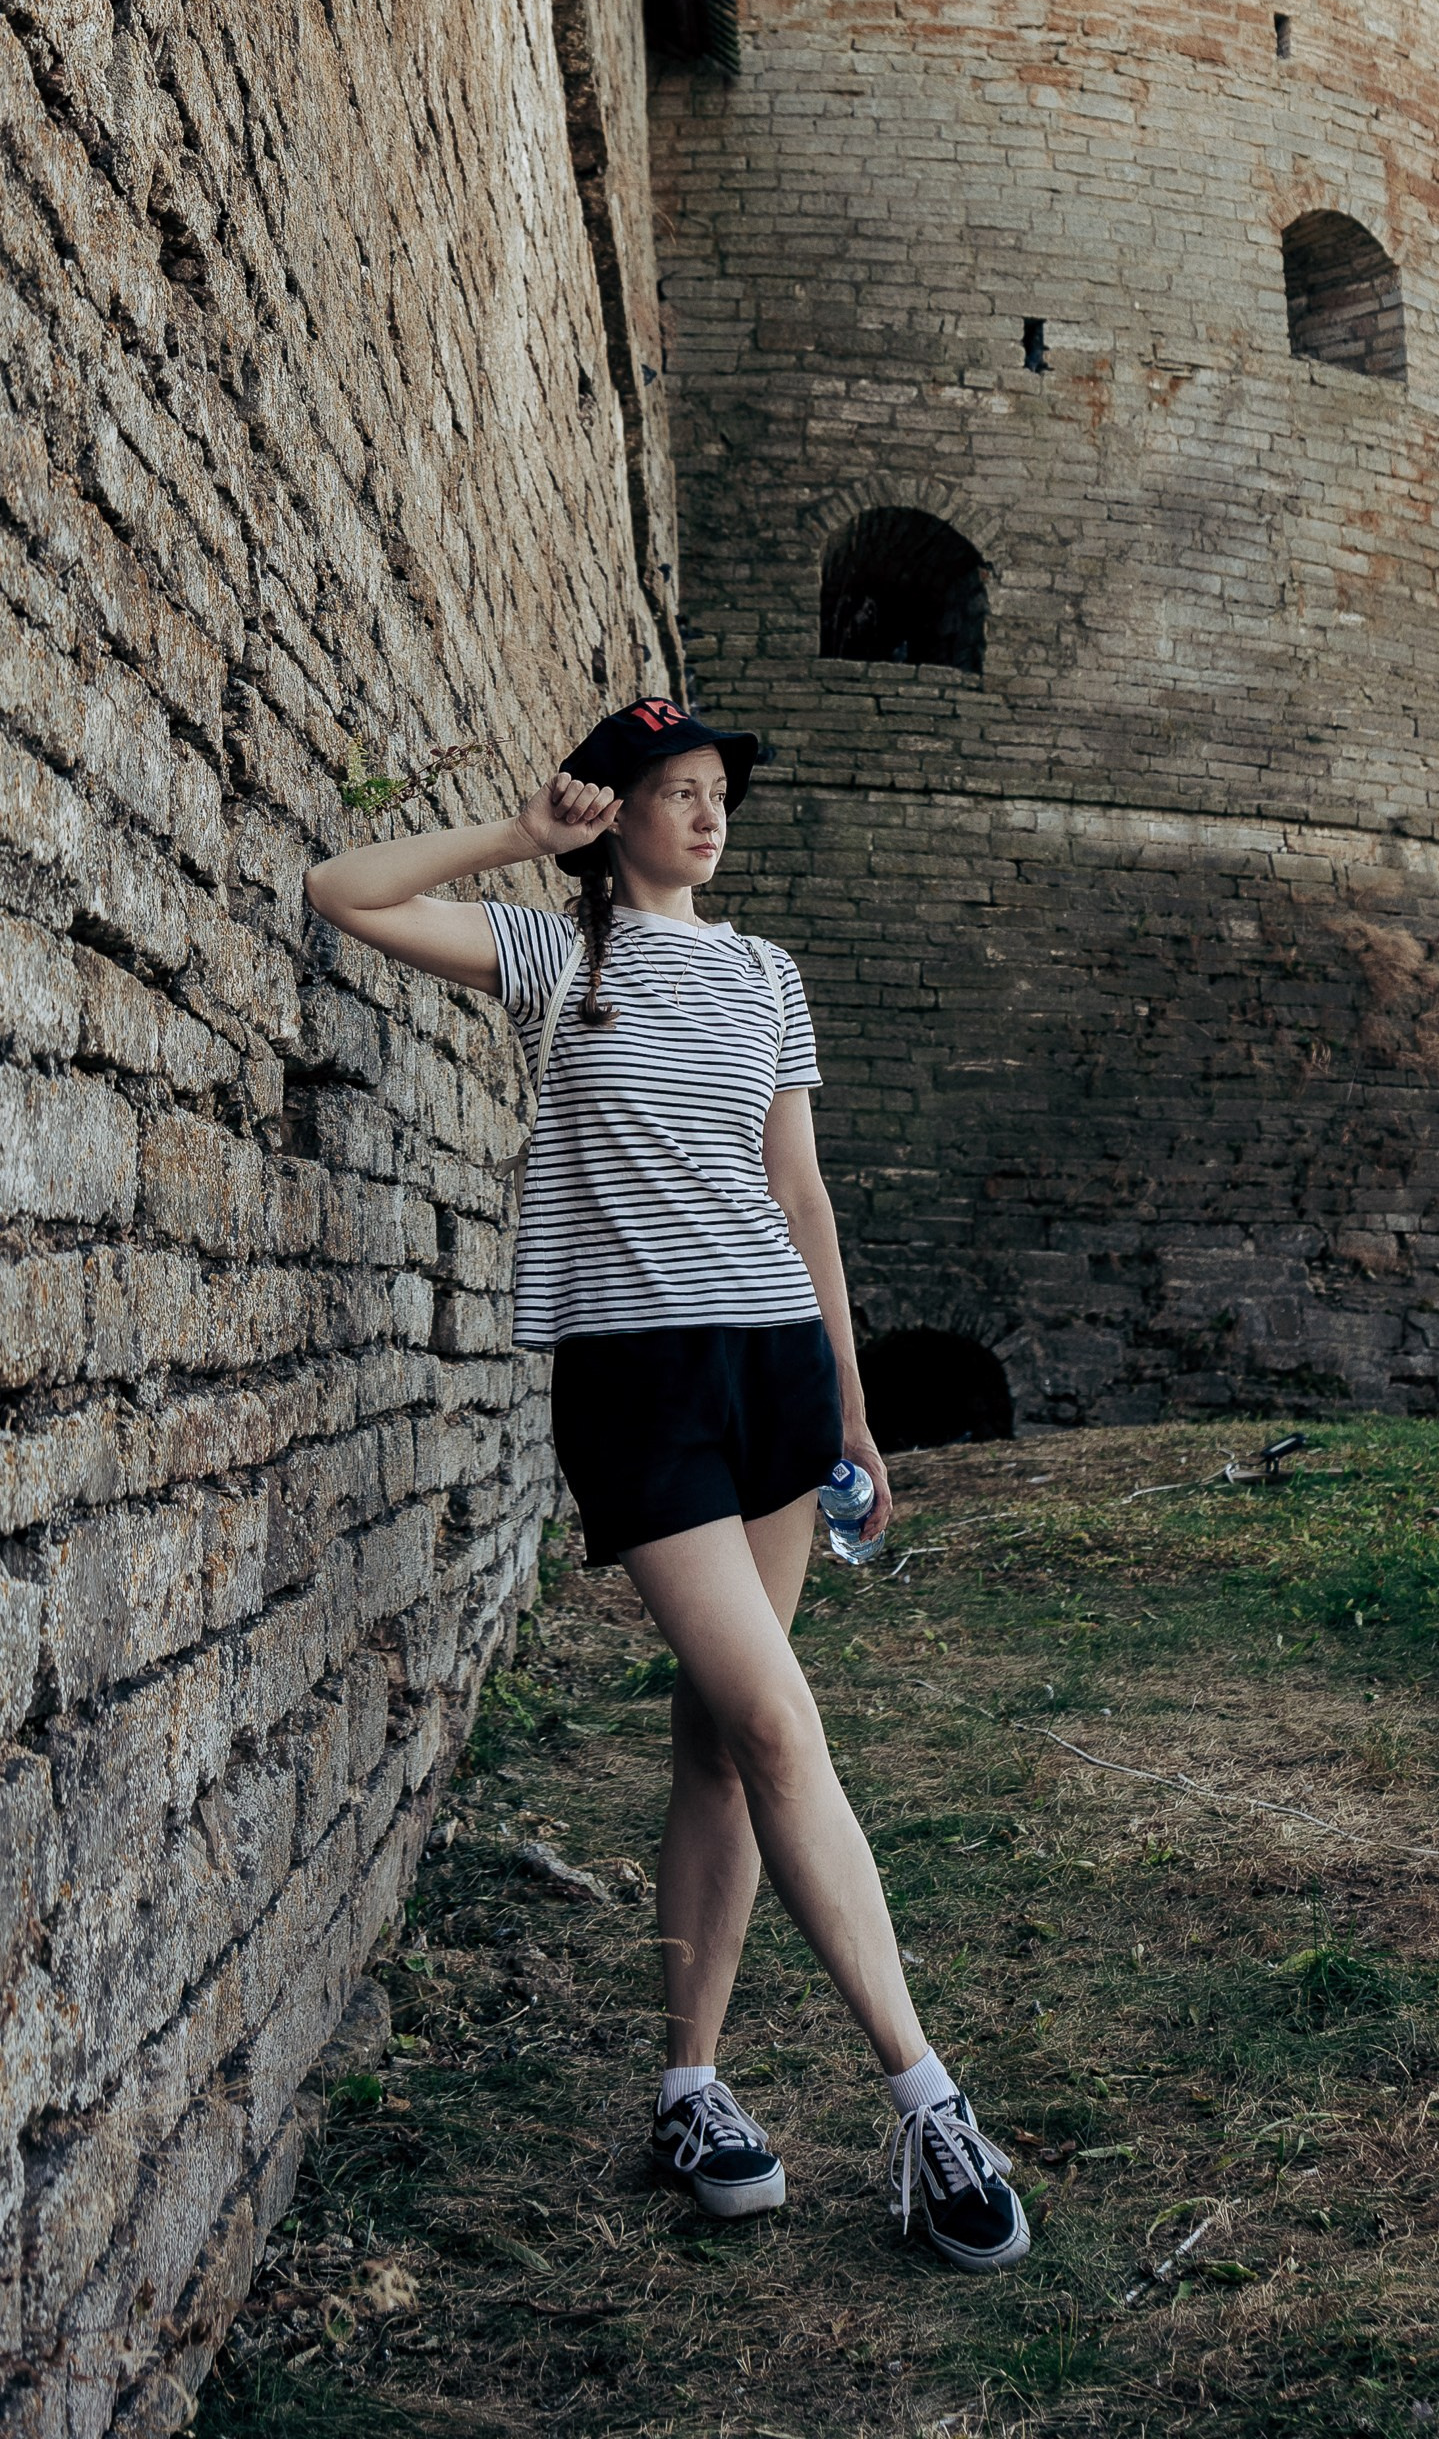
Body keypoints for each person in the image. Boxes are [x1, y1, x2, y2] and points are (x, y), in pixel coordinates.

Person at [304, 699, 1029, 2272]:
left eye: (715, 794)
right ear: (612, 810)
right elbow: (339, 890)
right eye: (672, 792)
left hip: (771, 1369)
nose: (704, 817)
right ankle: (926, 2100)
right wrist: (520, 838)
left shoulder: (765, 975)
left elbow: (798, 1186)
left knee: (720, 1737)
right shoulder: (568, 961)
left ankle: (687, 2089)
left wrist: (848, 1396)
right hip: (635, 1389)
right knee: (777, 1722)